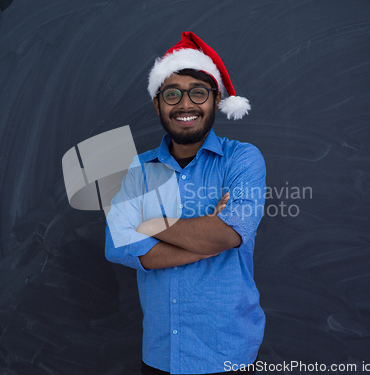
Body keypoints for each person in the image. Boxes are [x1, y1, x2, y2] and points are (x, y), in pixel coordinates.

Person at [105, 32, 265, 375]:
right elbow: (119, 246)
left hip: (229, 355)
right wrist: (208, 240)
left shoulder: (243, 159)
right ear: (157, 103)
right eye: (172, 94)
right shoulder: (140, 168)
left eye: (198, 93)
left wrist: (150, 223)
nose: (185, 104)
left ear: (215, 98)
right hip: (161, 355)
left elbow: (230, 233)